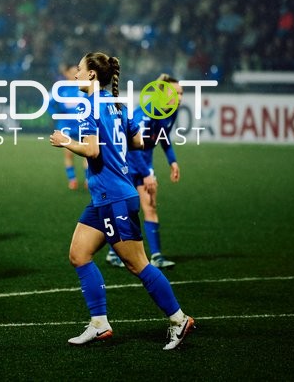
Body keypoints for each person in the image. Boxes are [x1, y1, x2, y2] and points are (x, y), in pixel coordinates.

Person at [49, 52, 194, 350]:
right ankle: (99, 323)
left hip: (114, 199)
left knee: (137, 264)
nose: (75, 75)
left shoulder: (89, 105)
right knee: (79, 254)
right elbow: (139, 142)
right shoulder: (117, 105)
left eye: (79, 69)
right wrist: (154, 123)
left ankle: (179, 319)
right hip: (105, 198)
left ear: (91, 75)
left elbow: (92, 151)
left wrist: (65, 142)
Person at [106, 74, 182, 269]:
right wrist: (147, 173)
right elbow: (132, 147)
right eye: (175, 93)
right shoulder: (145, 113)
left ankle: (156, 256)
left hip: (143, 166)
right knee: (126, 211)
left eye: (181, 93)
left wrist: (172, 161)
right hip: (126, 165)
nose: (179, 97)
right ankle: (113, 252)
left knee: (149, 206)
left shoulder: (170, 112)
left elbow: (163, 137)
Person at [50, 62, 88, 190]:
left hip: (83, 126)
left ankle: (89, 179)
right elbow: (49, 103)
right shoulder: (61, 89)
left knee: (87, 153)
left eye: (76, 72)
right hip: (66, 126)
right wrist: (56, 115)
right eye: (71, 72)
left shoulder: (83, 87)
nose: (74, 75)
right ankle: (72, 180)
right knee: (68, 154)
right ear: (66, 74)